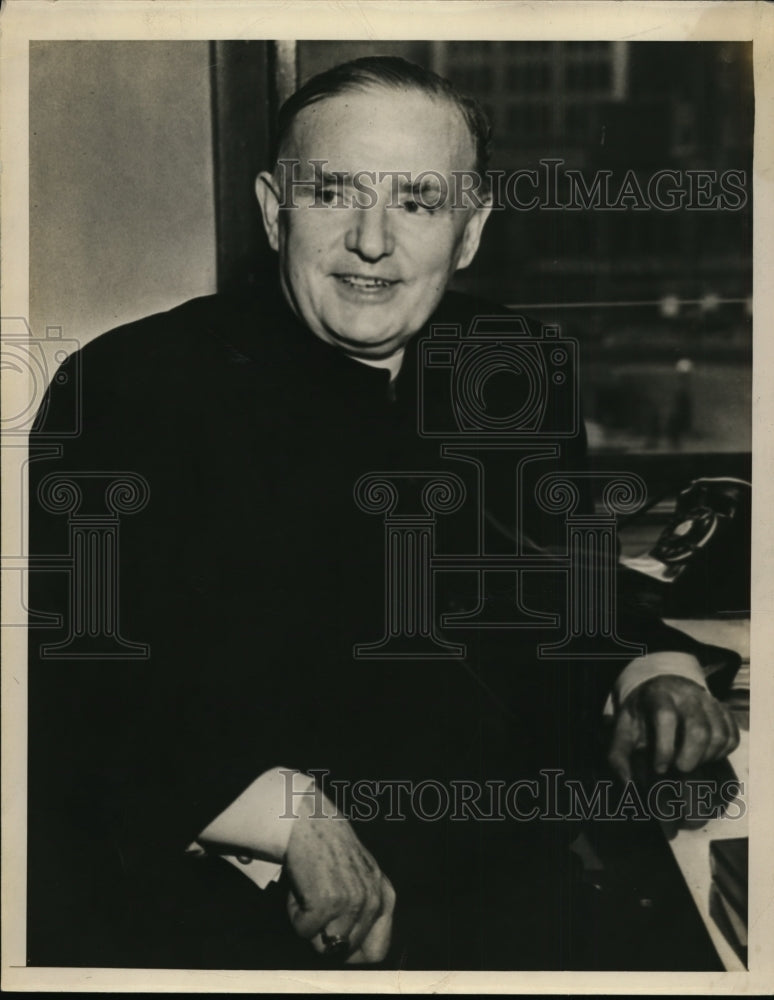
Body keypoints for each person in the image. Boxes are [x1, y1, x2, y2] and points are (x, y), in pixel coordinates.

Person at [26, 56, 741, 971]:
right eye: (333, 193)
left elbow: (551, 582)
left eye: (417, 200)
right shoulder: (132, 387)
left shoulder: (509, 362)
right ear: (272, 207)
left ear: (470, 229)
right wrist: (286, 811)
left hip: (503, 880)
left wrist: (650, 665)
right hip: (232, 913)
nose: (372, 241)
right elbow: (66, 687)